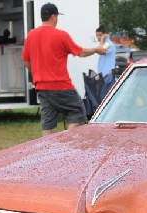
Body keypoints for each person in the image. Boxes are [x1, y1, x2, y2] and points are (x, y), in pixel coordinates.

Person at [22, 3, 106, 136]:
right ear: (54, 16)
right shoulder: (61, 35)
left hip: (41, 86)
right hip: (60, 85)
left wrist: (37, 73)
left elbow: (26, 61)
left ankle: (47, 149)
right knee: (78, 111)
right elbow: (80, 52)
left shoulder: (31, 35)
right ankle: (65, 142)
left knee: (47, 120)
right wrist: (96, 49)